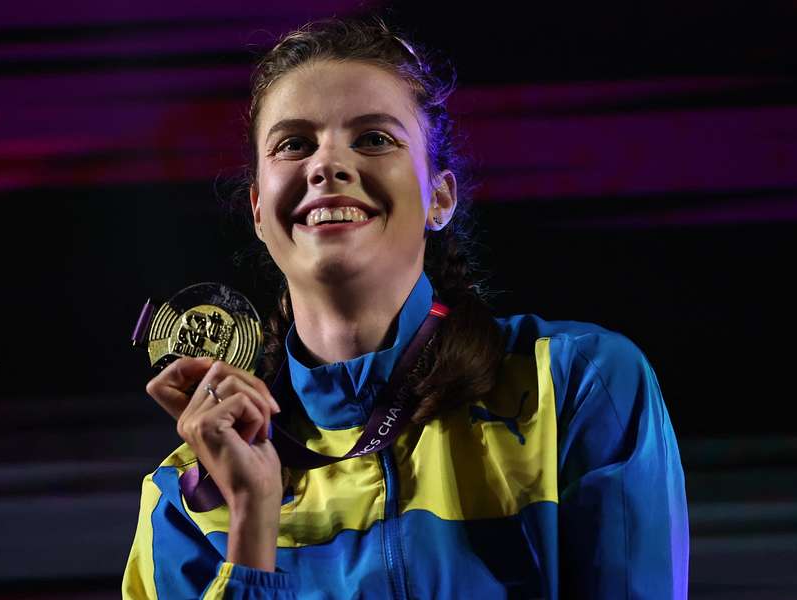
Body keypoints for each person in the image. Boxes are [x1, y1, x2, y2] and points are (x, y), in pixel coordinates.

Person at [122, 16, 689, 599]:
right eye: (294, 144)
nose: (326, 165)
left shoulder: (572, 386)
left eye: (373, 138)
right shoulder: (184, 498)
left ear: (438, 197)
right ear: (259, 211)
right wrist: (251, 522)